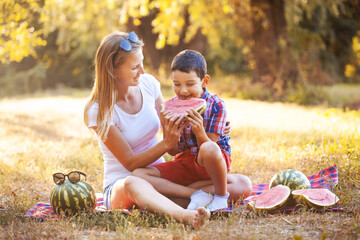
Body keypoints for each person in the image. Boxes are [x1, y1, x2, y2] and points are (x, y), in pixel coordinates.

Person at [84, 31, 210, 228]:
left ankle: (190, 199)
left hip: (158, 176)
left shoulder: (149, 84)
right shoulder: (99, 110)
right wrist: (167, 142)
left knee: (235, 183)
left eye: (141, 63)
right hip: (121, 185)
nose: (142, 72)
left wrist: (206, 129)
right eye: (134, 67)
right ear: (113, 70)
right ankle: (185, 213)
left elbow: (173, 149)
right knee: (133, 182)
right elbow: (130, 162)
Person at [132, 50, 252, 211]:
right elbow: (174, 152)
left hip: (210, 162)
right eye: (177, 84)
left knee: (244, 184)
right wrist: (170, 136)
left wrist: (199, 131)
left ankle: (221, 198)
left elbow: (211, 148)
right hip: (184, 163)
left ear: (204, 81)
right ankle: (196, 194)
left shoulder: (217, 105)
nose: (183, 91)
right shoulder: (170, 108)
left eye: (190, 84)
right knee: (139, 175)